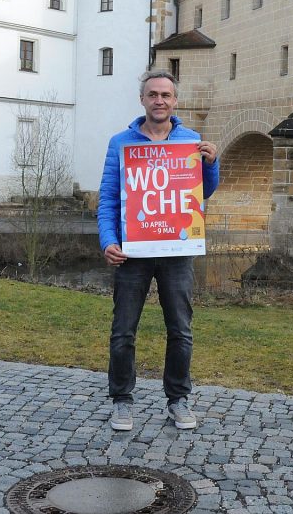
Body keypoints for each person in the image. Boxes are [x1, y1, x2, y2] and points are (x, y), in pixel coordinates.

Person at [97, 70, 219, 431]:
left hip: (176, 250)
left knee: (180, 330)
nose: (160, 100)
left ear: (175, 101)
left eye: (166, 95)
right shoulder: (121, 143)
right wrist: (108, 240)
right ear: (143, 99)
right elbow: (107, 199)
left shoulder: (190, 140)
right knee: (123, 331)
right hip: (132, 251)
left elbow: (202, 193)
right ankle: (121, 400)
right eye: (153, 94)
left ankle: (178, 399)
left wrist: (212, 165)